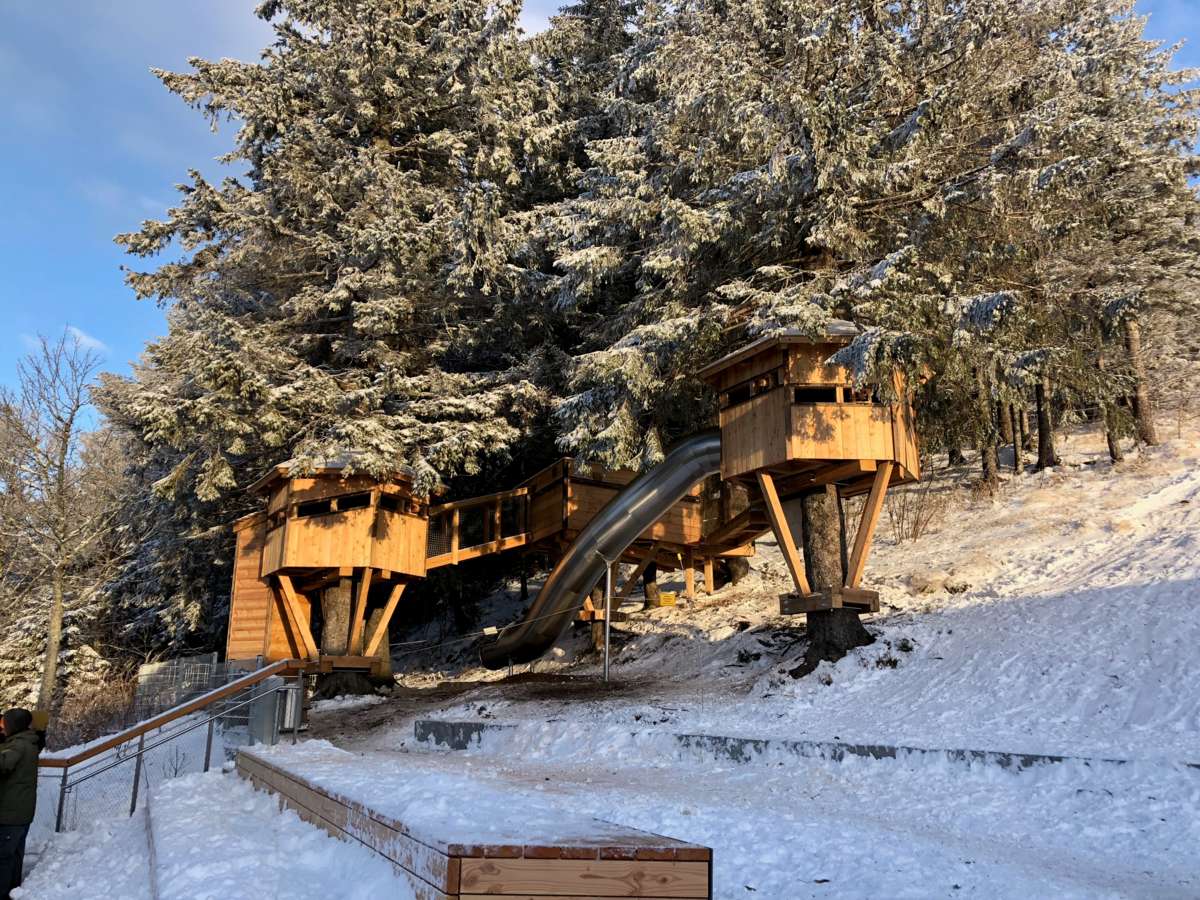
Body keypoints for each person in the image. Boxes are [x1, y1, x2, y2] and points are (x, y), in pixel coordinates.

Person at [0, 709, 38, 899]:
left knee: (3, 858)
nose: (2, 728)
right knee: (14, 855)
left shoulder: (18, 746)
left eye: (3, 724)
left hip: (11, 813)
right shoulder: (28, 742)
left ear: (12, 725)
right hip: (21, 812)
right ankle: (13, 891)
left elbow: (3, 764)